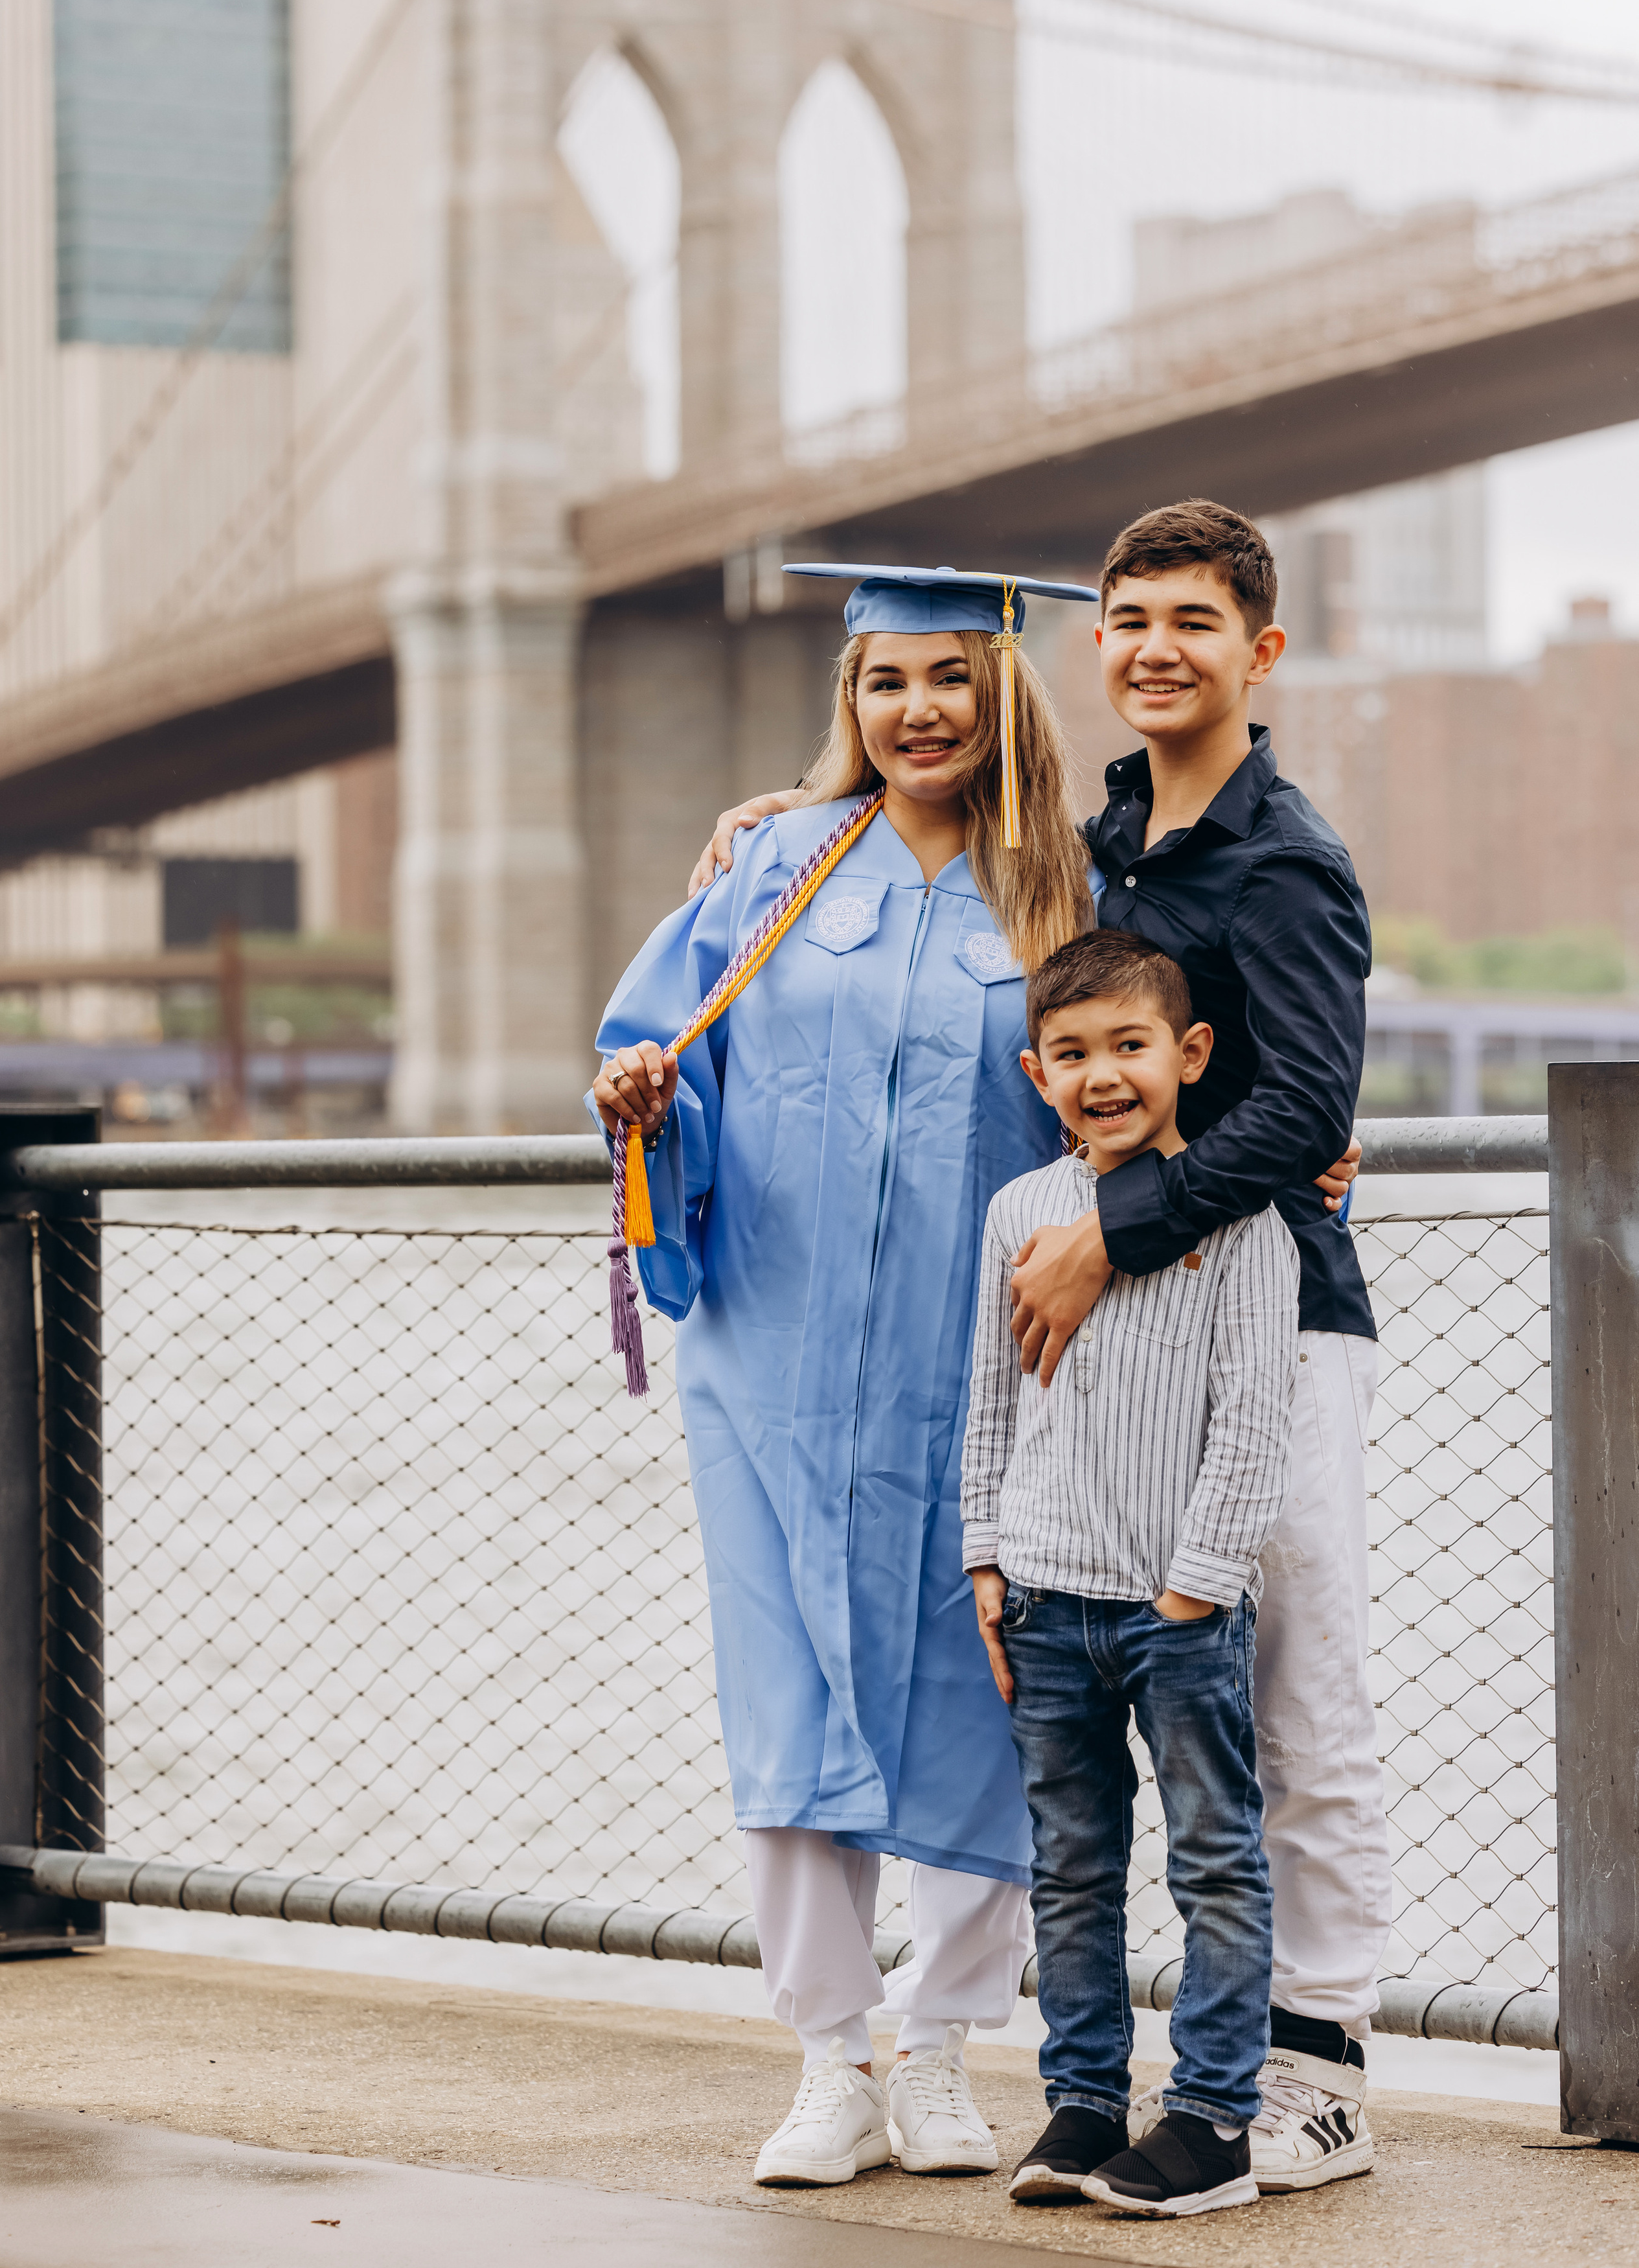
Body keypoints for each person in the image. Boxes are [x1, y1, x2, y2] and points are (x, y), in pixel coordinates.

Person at [685, 498, 1386, 2194]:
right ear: (1095, 646)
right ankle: (1125, 2076)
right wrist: (803, 808)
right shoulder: (1106, 844)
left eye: (1193, 622)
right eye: (1131, 619)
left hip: (1271, 1312)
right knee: (1110, 1714)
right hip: (1115, 1341)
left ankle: (1320, 2068)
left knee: (1292, 1702)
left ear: (1259, 650)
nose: (1156, 647)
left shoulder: (1285, 857)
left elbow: (1304, 1102)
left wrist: (1111, 1227)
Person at [589, 564, 1097, 2188]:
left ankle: (940, 2050)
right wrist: (642, 1097)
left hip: (991, 1373)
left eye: (950, 676)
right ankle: (829, 2059)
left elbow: (1136, 1099)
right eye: (886, 680)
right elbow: (666, 1057)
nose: (917, 710)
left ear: (1001, 690)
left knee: (987, 1696)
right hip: (778, 1362)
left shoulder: (1069, 889)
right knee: (787, 1690)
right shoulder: (777, 866)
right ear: (849, 697)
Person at [962, 927, 1296, 2218]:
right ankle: (1085, 2101)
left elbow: (1253, 1422)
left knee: (1212, 1860)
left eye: (1129, 1045)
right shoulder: (1019, 1213)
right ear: (1035, 1071)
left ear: (1189, 1052)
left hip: (1178, 1611)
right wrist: (986, 1554)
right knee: (1070, 1863)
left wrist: (1193, 1587)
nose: (1101, 1074)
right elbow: (989, 1397)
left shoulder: (1238, 1216)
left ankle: (1210, 2118)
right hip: (1046, 1599)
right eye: (1071, 1052)